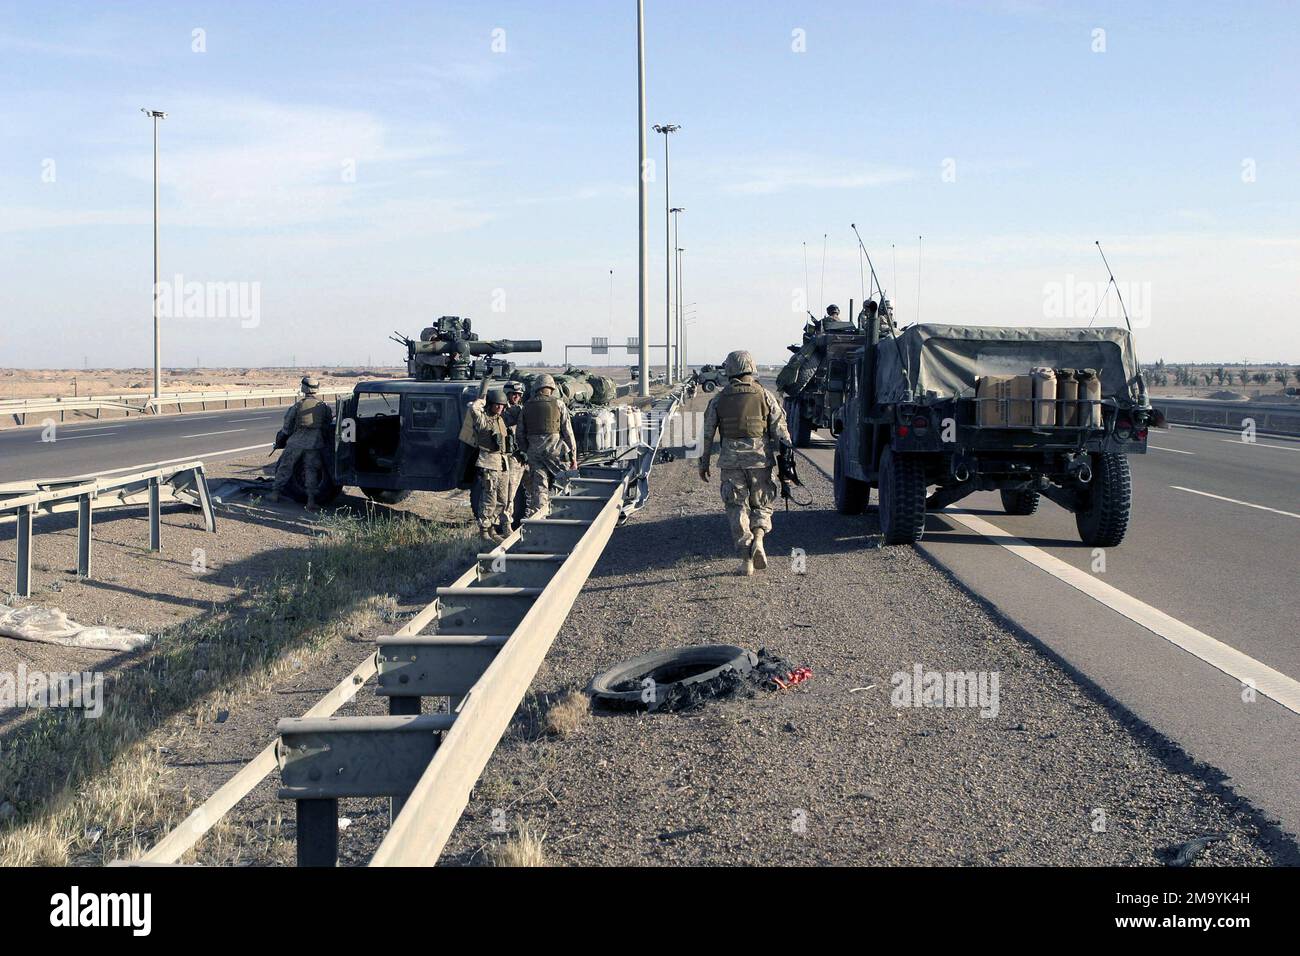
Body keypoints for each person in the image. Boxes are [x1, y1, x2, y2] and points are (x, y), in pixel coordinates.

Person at [698, 350, 792, 576]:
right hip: (760, 460)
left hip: (731, 462)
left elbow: (707, 433)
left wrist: (704, 462)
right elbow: (781, 432)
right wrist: (786, 465)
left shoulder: (719, 399)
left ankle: (745, 558)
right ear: (751, 367)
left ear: (730, 370)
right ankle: (759, 538)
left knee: (736, 506)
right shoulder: (765, 395)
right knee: (761, 504)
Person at [458, 386, 514, 542]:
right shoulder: (483, 419)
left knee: (502, 499)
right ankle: (484, 531)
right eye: (497, 404)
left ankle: (493, 529)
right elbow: (474, 409)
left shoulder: (501, 419)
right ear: (490, 404)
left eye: (502, 405)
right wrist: (483, 400)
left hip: (502, 464)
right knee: (488, 498)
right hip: (488, 463)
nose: (500, 407)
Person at [518, 373, 578, 518]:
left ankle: (540, 518)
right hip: (555, 451)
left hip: (534, 453)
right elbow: (568, 432)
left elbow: (520, 433)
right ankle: (566, 514)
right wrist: (574, 457)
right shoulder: (558, 404)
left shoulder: (526, 406)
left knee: (540, 489)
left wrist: (528, 450)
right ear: (551, 388)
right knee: (566, 483)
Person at [269, 376, 333, 509]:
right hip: (315, 443)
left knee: (285, 467)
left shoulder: (298, 405)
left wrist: (282, 437)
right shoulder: (324, 406)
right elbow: (327, 424)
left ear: (304, 388)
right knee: (311, 470)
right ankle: (310, 500)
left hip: (296, 442)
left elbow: (287, 427)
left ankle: (275, 493)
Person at [502, 380, 527, 529]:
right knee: (510, 492)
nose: (516, 397)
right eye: (514, 394)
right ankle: (506, 524)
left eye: (519, 395)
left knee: (534, 489)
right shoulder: (502, 411)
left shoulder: (520, 409)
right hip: (512, 457)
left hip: (524, 456)